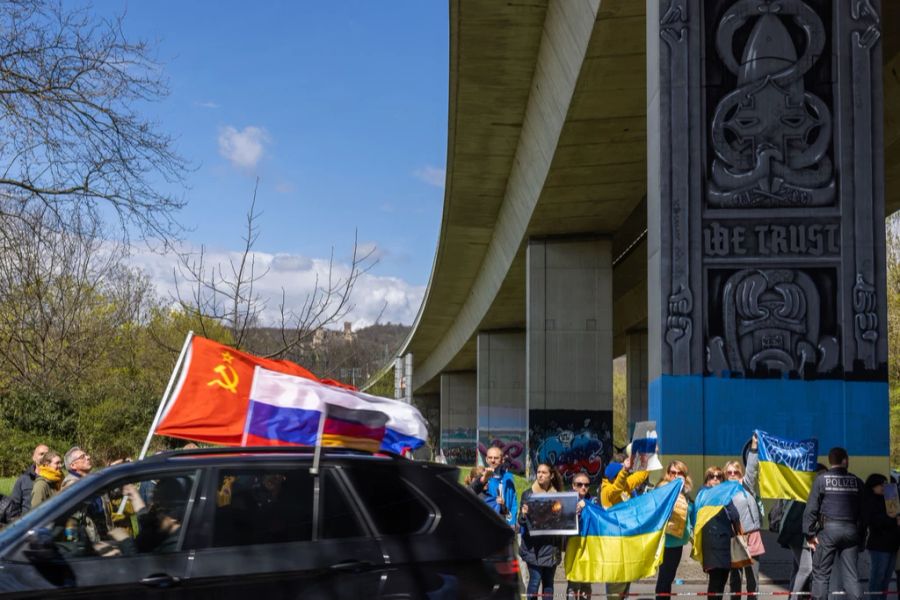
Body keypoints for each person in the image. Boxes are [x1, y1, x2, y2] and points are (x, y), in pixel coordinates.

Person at [803, 447, 864, 600]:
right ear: (845, 460)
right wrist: (860, 535)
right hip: (851, 531)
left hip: (828, 531)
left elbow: (811, 509)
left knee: (821, 575)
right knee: (851, 576)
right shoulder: (857, 481)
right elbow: (865, 512)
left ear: (830, 461)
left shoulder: (821, 480)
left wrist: (809, 534)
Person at [601, 454, 649, 600]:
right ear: (613, 477)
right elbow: (617, 488)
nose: (626, 476)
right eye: (621, 474)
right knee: (616, 583)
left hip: (627, 542)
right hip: (614, 544)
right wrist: (625, 471)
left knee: (625, 584)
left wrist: (646, 460)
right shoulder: (607, 491)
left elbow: (640, 476)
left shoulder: (625, 485)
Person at [777, 464, 828, 600]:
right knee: (806, 568)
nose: (825, 479)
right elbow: (807, 518)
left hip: (794, 534)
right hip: (798, 534)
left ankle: (792, 596)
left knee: (797, 567)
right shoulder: (810, 492)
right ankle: (794, 598)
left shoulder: (803, 490)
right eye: (822, 475)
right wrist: (810, 535)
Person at [726, 436, 765, 600]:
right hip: (735, 538)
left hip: (752, 535)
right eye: (729, 472)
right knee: (735, 580)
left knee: (753, 580)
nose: (733, 474)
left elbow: (752, 468)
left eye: (736, 472)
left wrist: (754, 447)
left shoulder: (746, 485)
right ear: (725, 474)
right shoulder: (722, 490)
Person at [519, 463, 564, 599]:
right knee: (534, 581)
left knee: (548, 584)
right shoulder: (528, 494)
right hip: (533, 549)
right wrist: (523, 515)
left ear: (551, 475)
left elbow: (562, 521)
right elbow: (521, 521)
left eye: (544, 472)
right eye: (538, 472)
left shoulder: (559, 496)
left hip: (551, 548)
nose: (540, 475)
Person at [699, 466, 741, 600]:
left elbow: (734, 515)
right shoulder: (705, 493)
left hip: (724, 543)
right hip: (712, 543)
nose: (715, 479)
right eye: (712, 476)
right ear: (707, 480)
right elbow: (734, 515)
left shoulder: (724, 494)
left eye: (719, 477)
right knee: (715, 580)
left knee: (722, 579)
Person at [656, 460, 694, 600]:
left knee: (669, 577)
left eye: (680, 473)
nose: (676, 476)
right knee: (665, 578)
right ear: (668, 474)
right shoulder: (663, 489)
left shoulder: (685, 492)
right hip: (666, 542)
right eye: (673, 473)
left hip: (678, 541)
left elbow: (690, 512)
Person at [862, 474, 900, 597]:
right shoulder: (870, 500)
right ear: (873, 486)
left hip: (892, 544)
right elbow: (875, 521)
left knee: (885, 581)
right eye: (881, 484)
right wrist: (894, 520)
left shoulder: (890, 498)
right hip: (879, 545)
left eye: (885, 484)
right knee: (878, 579)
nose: (884, 487)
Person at [567, 471, 600, 600]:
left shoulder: (593, 501)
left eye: (586, 484)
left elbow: (600, 514)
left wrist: (587, 505)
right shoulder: (567, 500)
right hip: (573, 547)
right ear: (573, 486)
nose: (583, 487)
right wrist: (571, 512)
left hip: (589, 548)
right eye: (579, 484)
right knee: (573, 584)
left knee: (586, 585)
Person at [469, 446, 518, 527]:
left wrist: (512, 523)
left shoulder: (509, 480)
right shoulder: (482, 479)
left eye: (496, 458)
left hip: (506, 524)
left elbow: (513, 503)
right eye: (490, 458)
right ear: (486, 459)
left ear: (502, 460)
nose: (492, 460)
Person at [8, 444, 48, 519]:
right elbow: (13, 506)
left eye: (47, 454)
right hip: (27, 524)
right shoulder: (23, 479)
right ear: (33, 457)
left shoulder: (56, 478)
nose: (44, 456)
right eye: (41, 454)